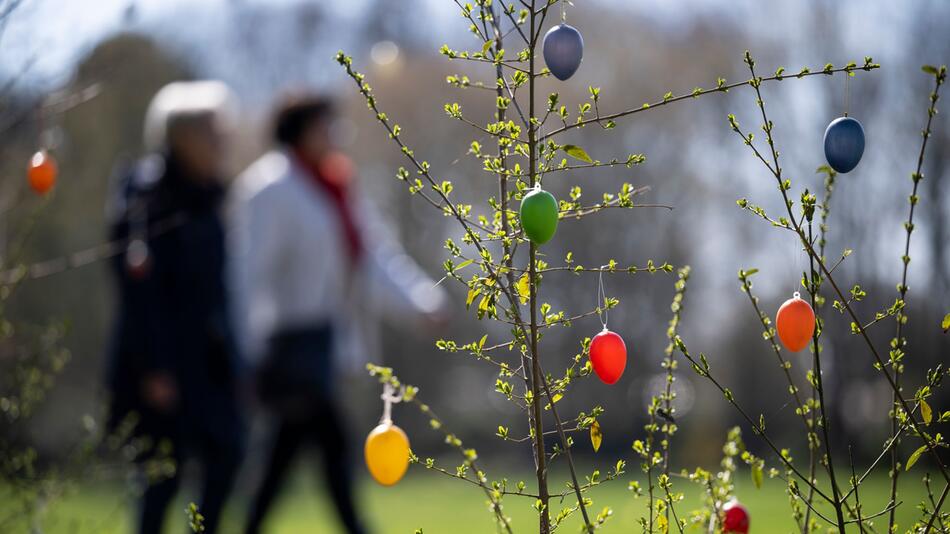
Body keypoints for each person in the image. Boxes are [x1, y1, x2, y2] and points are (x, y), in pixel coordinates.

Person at [229, 94, 446, 534]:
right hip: (288, 348)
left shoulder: (339, 185)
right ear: (300, 132)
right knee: (330, 446)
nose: (334, 135)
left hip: (325, 346)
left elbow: (373, 257)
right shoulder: (269, 189)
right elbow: (246, 276)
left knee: (285, 455)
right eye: (325, 126)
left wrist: (421, 300)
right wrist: (247, 350)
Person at [105, 81, 245, 534]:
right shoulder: (146, 197)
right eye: (212, 131)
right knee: (162, 476)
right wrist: (154, 367)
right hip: (162, 365)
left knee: (227, 453)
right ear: (181, 136)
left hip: (207, 362)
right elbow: (138, 289)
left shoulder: (209, 196)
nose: (222, 141)